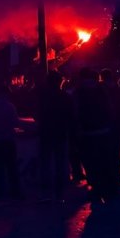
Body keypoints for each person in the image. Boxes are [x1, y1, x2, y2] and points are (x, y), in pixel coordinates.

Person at [74, 68, 116, 202]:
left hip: (87, 133)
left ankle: (96, 188)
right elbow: (110, 109)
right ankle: (107, 188)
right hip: (103, 131)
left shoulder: (79, 92)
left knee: (91, 162)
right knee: (104, 160)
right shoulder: (102, 90)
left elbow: (75, 113)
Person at [35, 72, 73, 202]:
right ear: (60, 82)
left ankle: (46, 191)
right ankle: (59, 192)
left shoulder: (43, 98)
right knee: (60, 163)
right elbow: (71, 116)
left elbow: (37, 114)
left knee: (45, 162)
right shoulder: (65, 97)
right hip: (61, 133)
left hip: (46, 132)